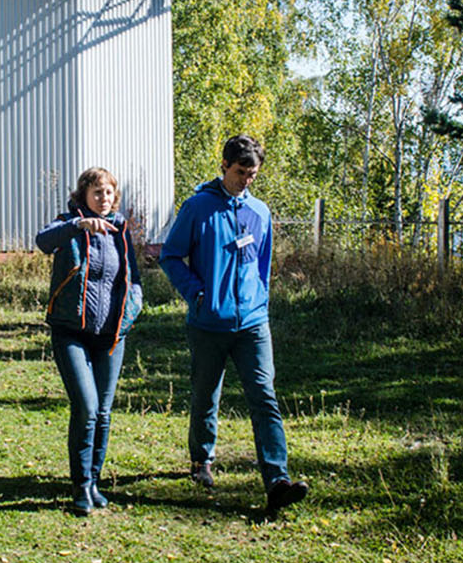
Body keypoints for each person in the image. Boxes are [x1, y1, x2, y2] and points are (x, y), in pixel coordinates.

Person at [158, 134, 309, 517]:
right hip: (209, 322)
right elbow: (172, 256)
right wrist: (197, 293)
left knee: (264, 395)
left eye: (252, 174)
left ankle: (277, 480)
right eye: (241, 172)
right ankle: (201, 459)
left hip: (253, 323)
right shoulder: (198, 208)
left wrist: (260, 298)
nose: (246, 180)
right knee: (206, 393)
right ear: (224, 166)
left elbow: (263, 264)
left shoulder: (260, 212)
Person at [36, 166, 144, 516]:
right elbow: (43, 241)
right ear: (83, 195)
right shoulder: (67, 223)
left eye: (109, 193)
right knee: (86, 405)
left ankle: (94, 481)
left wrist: (130, 312)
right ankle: (80, 484)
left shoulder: (121, 230)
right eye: (97, 193)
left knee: (104, 411)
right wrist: (77, 225)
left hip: (111, 336)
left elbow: (134, 280)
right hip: (71, 331)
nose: (104, 199)